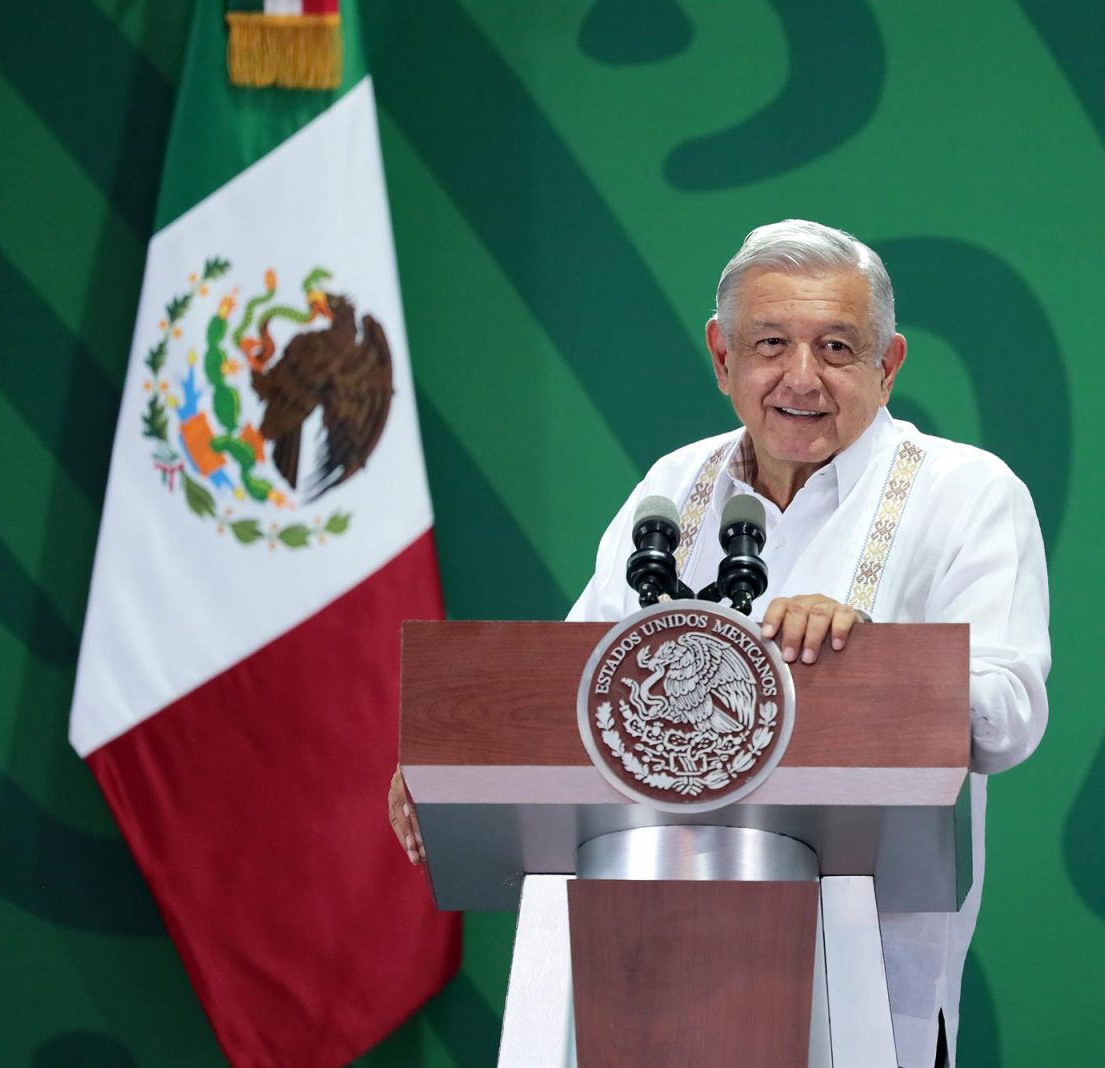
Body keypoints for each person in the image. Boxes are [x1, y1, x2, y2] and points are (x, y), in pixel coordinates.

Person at [391, 219, 1050, 1067]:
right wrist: (457, 756)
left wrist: (870, 661)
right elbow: (574, 683)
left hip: (865, 972)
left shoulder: (967, 493)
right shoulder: (674, 487)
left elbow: (1010, 717)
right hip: (645, 962)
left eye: (839, 348)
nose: (801, 378)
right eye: (770, 343)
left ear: (888, 367)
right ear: (722, 357)